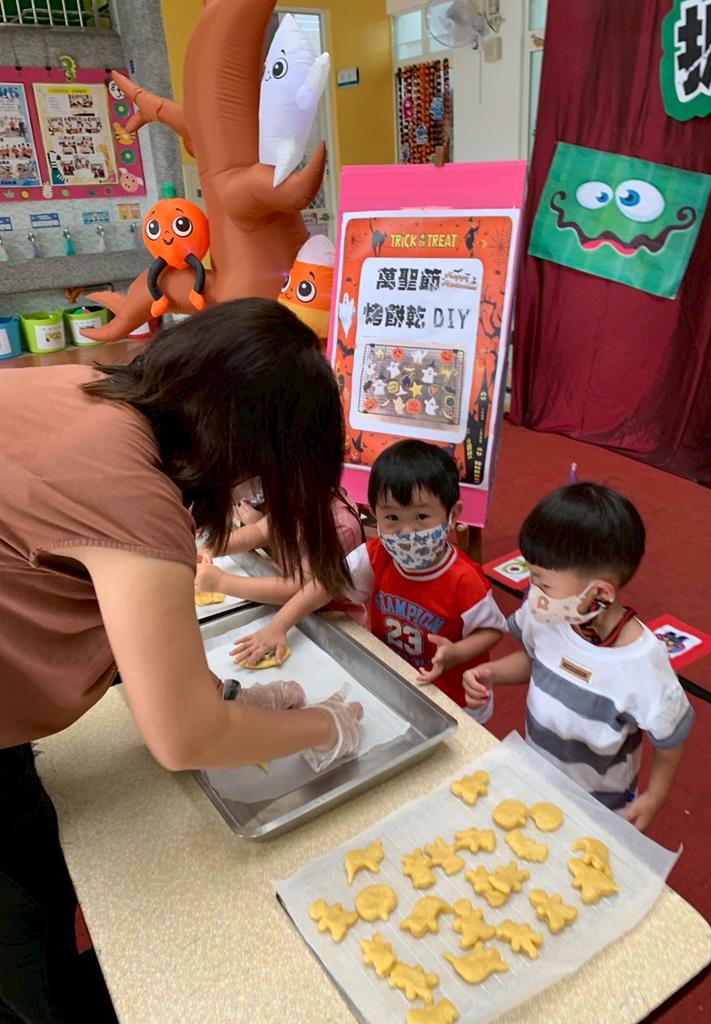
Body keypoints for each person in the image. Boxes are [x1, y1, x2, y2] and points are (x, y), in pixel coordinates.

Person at [0, 298, 364, 1023]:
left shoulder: (78, 385)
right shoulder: (134, 494)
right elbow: (182, 737)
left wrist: (227, 697)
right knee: (26, 950)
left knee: (38, 858)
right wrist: (325, 727)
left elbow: (141, 644)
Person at [463, 482, 693, 831]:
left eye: (543, 584)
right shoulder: (548, 616)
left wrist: (655, 795)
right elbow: (536, 662)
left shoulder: (642, 664)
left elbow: (671, 736)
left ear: (598, 592)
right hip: (535, 778)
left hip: (601, 807)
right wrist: (492, 672)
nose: (532, 593)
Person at [233, 439, 507, 722]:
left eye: (422, 516)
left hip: (455, 699)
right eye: (392, 517)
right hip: (398, 679)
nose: (406, 532)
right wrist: (279, 624)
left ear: (452, 515)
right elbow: (327, 584)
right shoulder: (378, 555)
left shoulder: (465, 579)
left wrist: (457, 653)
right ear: (375, 515)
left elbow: (491, 631)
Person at [195, 487, 365, 622]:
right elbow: (260, 531)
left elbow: (297, 589)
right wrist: (213, 547)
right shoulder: (297, 496)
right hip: (292, 606)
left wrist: (221, 582)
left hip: (332, 620)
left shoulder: (339, 526)